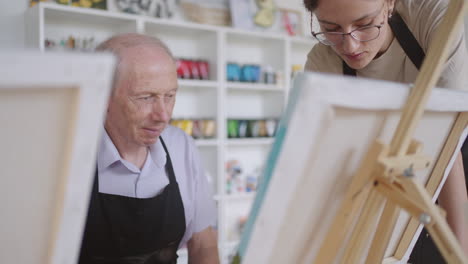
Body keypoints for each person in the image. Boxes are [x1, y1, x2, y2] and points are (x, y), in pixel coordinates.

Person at [302, 0, 468, 262]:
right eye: (331, 28)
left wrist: (460, 254)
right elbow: (334, 174)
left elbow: (447, 145)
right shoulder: (322, 64)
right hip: (380, 164)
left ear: (390, 3)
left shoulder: (434, 18)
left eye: (365, 24)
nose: (350, 45)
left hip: (451, 152)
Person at [78, 33, 219, 264]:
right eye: (145, 97)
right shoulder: (66, 155)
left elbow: (204, 245)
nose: (163, 116)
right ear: (102, 95)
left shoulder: (181, 146)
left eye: (170, 96)